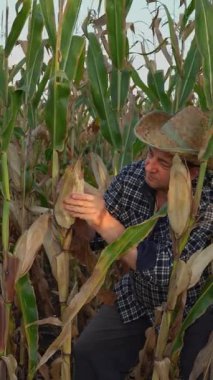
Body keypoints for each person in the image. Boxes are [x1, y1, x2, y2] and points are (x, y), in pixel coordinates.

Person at [63, 106, 213, 380]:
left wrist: (103, 220)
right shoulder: (135, 177)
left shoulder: (206, 203)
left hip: (191, 308)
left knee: (193, 371)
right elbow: (97, 238)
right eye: (150, 155)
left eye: (163, 163)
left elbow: (164, 275)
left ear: (189, 173)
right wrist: (79, 217)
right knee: (89, 351)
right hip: (139, 296)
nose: (149, 166)